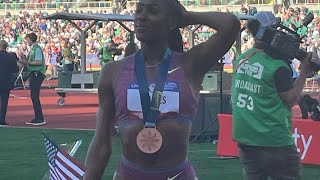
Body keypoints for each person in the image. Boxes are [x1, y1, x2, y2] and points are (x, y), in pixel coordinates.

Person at [83, 0, 240, 179]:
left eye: (153, 11)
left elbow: (231, 25)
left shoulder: (189, 65)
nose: (141, 16)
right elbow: (102, 143)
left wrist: (186, 17)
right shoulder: (112, 71)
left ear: (172, 22)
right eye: (139, 10)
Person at [231, 12, 312, 180]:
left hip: (246, 139)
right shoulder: (276, 65)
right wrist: (304, 70)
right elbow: (290, 99)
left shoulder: (241, 59)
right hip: (274, 140)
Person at [19, 32, 46, 126]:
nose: (26, 41)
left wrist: (27, 62)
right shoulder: (33, 49)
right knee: (34, 96)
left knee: (34, 96)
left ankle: (39, 118)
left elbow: (38, 62)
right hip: (34, 73)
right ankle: (38, 117)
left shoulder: (36, 49)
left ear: (30, 39)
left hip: (37, 73)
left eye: (27, 39)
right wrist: (24, 59)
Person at [0, 40, 18, 126]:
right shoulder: (10, 56)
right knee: (4, 102)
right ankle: (2, 119)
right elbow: (15, 70)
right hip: (5, 81)